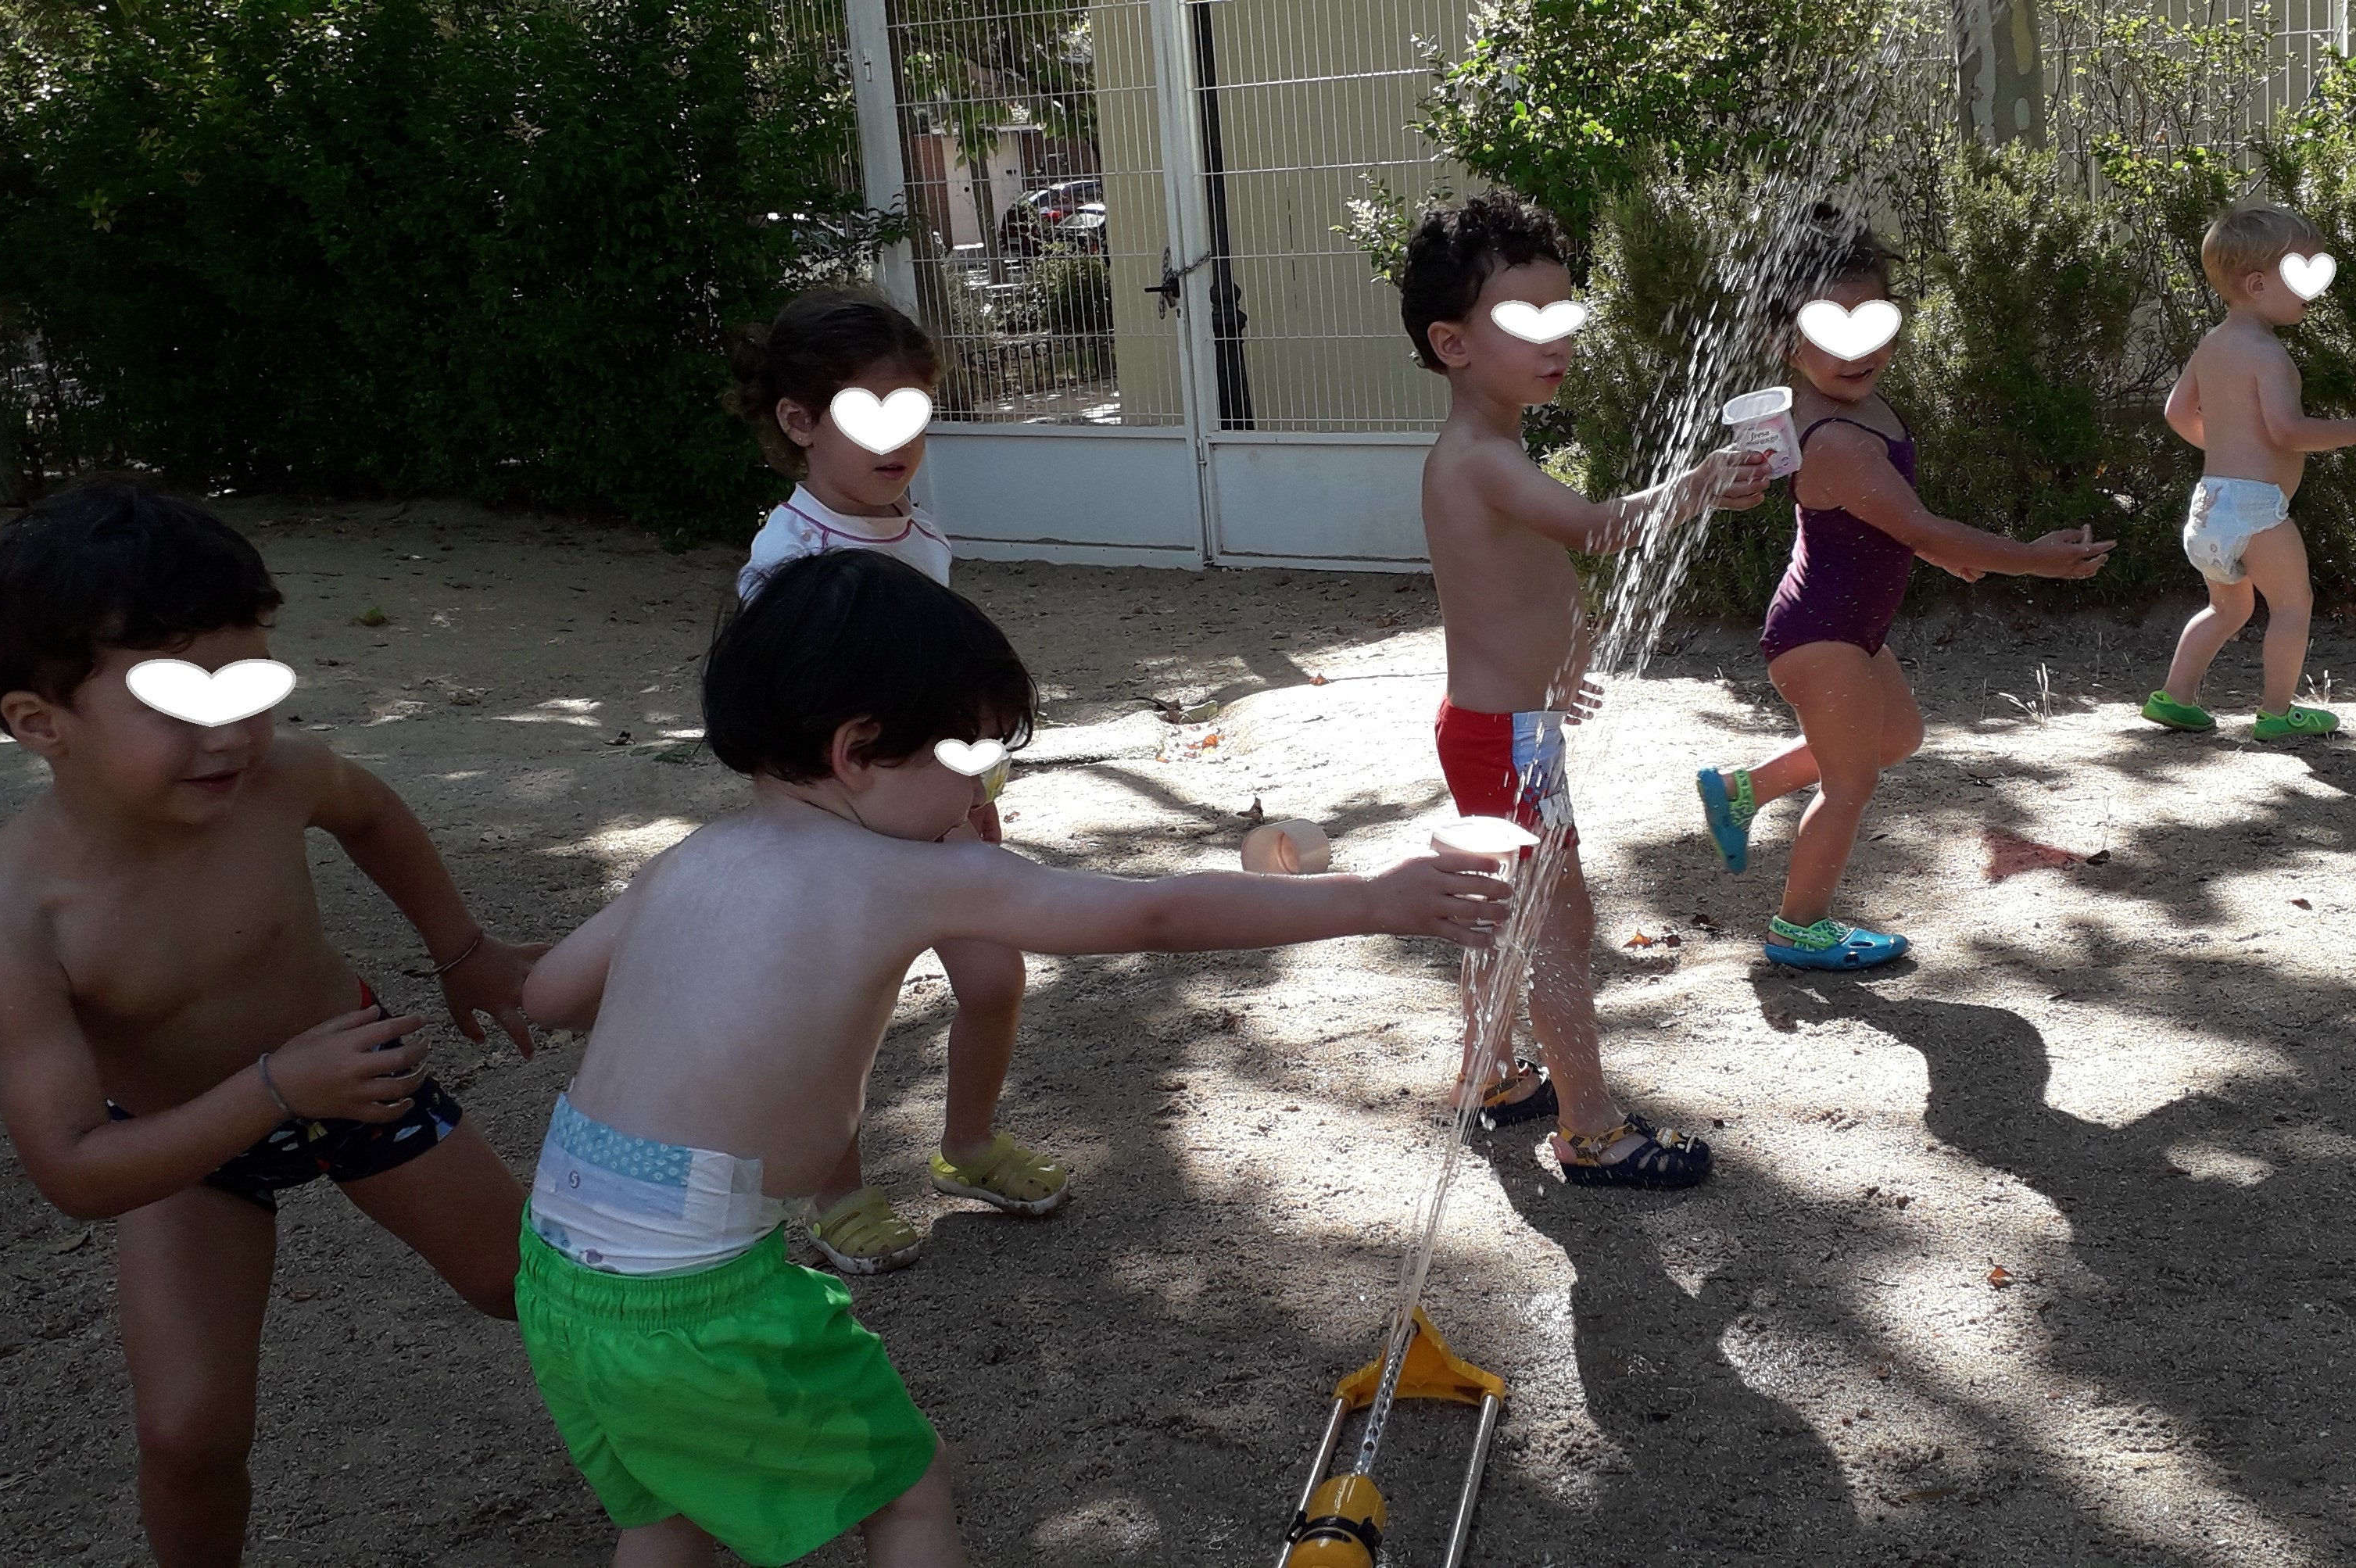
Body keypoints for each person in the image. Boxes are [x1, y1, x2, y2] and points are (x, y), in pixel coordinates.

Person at [513, 550, 1510, 1568]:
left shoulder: (686, 859)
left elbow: (547, 994)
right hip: (697, 1292)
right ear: (858, 749)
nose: (982, 789)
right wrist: (1371, 900)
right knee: (908, 1493)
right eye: (971, 757)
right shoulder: (899, 876)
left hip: (558, 1267)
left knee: (666, 1509)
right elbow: (1152, 913)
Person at [0, 478, 545, 1566]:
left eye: (249, 682)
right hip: (181, 1145)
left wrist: (465, 950)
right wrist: (272, 1090)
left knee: (533, 1287)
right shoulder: (16, 920)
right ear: (40, 723)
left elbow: (369, 810)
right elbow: (75, 1167)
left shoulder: (276, 779)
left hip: (354, 1077)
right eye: (176, 702)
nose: (229, 730)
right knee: (188, 1433)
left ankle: (686, 1463)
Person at [1402, 192, 1770, 1188]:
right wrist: (1699, 483)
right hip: (1506, 740)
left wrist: (1555, 676)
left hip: (1498, 728)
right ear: (1452, 344)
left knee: (1507, 911)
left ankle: (1490, 1071)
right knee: (1560, 925)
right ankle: (1592, 1128)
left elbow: (1510, 592)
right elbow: (1598, 528)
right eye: (1525, 319)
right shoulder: (1482, 459)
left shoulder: (1486, 448)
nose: (1556, 337)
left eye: (1563, 312)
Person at [721, 288, 1062, 1275]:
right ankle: (838, 1194)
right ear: (799, 421)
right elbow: (773, 720)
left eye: (913, 412)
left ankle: (968, 1145)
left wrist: (975, 786)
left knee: (994, 977)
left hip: (936, 811)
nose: (899, 440)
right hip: (832, 831)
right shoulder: (785, 560)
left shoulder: (919, 533)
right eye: (867, 413)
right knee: (839, 1012)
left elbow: (946, 686)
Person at [1692, 209, 2114, 971]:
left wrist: (1938, 554)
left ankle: (1742, 789)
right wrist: (2033, 559)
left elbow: (1884, 524)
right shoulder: (1837, 439)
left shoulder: (1853, 408)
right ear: (1786, 343)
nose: (1858, 350)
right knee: (1850, 782)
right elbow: (1918, 525)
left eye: (1873, 322)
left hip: (1846, 626)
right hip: (1820, 633)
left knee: (1896, 738)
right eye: (1830, 330)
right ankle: (1798, 926)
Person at [2141, 205, 2356, 739]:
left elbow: (2176, 412)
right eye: (2301, 274)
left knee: (2225, 609)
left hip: (2210, 504)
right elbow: (2288, 432)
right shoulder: (2269, 355)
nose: (2314, 289)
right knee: (2292, 605)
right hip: (2256, 509)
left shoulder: (2212, 345)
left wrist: (2226, 448)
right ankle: (2278, 713)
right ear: (2259, 284)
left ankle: (2174, 698)